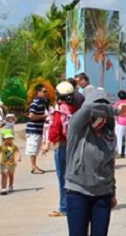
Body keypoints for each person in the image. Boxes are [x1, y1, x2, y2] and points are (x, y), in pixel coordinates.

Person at [65, 87, 126, 236]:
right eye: (98, 107)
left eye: (104, 110)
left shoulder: (108, 134)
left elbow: (110, 164)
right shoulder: (77, 127)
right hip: (77, 192)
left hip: (102, 195)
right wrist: (115, 110)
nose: (101, 115)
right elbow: (88, 109)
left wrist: (112, 192)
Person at [41, 81, 79, 217]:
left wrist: (47, 143)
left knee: (63, 179)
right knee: (73, 178)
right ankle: (76, 205)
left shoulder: (59, 111)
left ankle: (64, 207)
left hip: (62, 147)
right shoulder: (75, 109)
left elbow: (55, 129)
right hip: (74, 147)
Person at [26, 83, 48, 174]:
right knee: (33, 147)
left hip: (38, 129)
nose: (46, 93)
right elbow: (31, 115)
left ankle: (34, 165)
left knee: (36, 147)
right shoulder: (37, 101)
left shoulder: (43, 101)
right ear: (39, 92)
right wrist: (43, 116)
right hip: (33, 129)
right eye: (44, 91)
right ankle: (33, 166)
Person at [114, 90, 126, 158]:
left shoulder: (117, 104)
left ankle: (119, 153)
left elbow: (114, 113)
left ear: (119, 96)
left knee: (119, 138)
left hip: (120, 122)